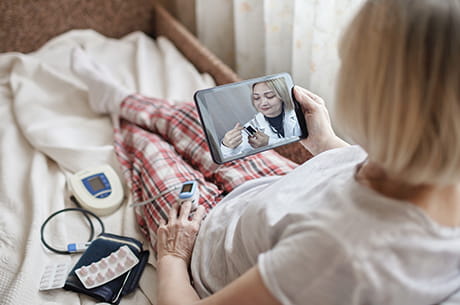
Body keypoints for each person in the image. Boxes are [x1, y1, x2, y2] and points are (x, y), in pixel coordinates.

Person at [71, 0, 460, 304]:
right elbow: (362, 176)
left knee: (149, 149)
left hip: (202, 243)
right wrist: (325, 143)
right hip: (275, 195)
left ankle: (121, 116)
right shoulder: (424, 165)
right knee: (195, 120)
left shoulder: (337, 253)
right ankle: (121, 99)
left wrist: (173, 254)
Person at [220, 79, 302, 158]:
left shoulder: (298, 114)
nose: (263, 103)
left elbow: (301, 145)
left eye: (270, 96)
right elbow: (231, 157)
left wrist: (269, 142)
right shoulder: (250, 128)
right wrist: (226, 146)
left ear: (282, 96)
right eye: (256, 98)